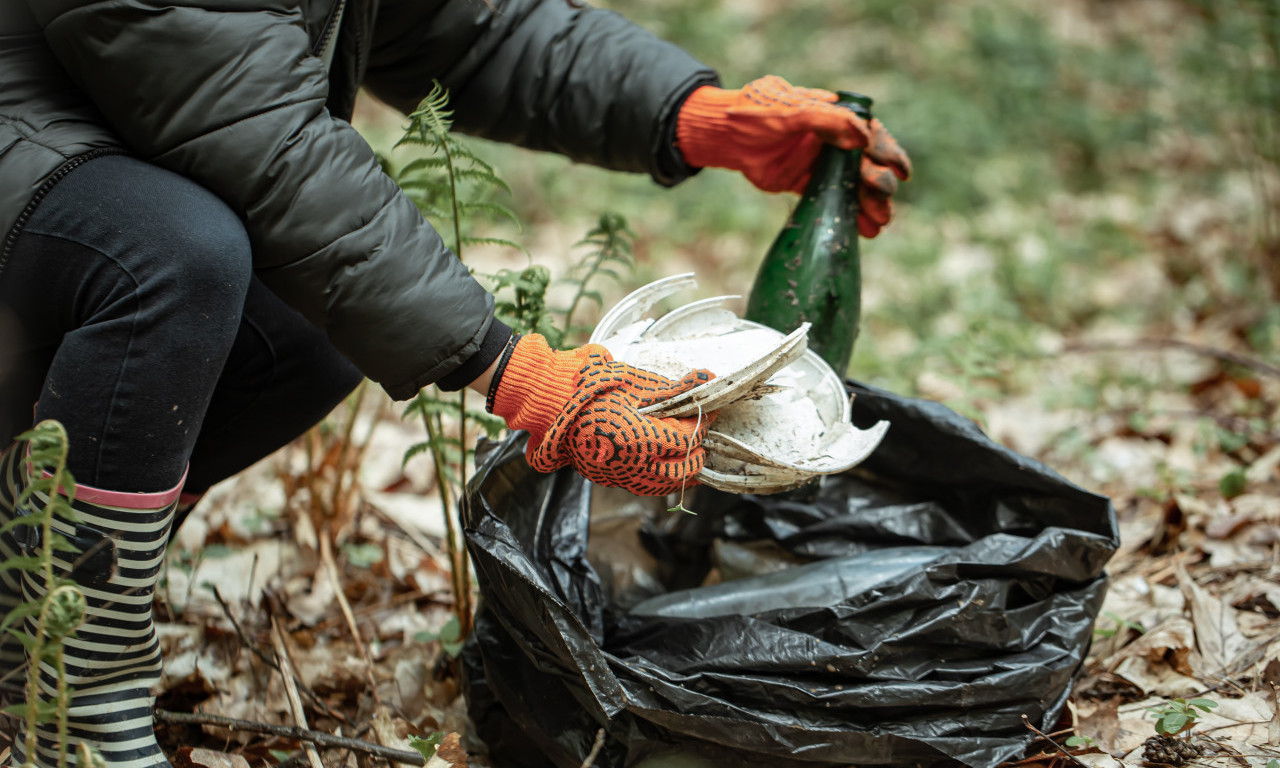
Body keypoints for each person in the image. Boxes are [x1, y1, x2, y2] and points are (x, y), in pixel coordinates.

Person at [0, 0, 911, 765]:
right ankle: (70, 684)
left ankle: (36, 575)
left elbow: (478, 30)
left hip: (75, 130)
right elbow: (257, 133)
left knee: (303, 340)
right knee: (176, 259)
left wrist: (697, 115)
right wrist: (513, 369)